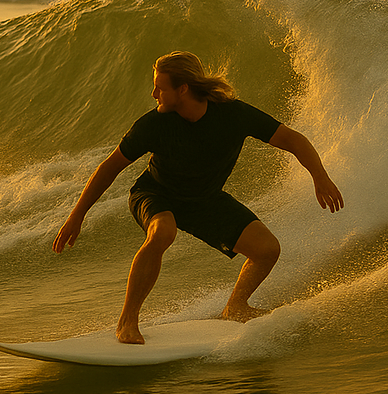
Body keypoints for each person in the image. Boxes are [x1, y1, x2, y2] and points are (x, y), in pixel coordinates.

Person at [53, 52, 343, 345]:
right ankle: (127, 321)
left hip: (204, 199)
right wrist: (77, 215)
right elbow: (109, 168)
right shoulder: (154, 124)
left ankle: (235, 307)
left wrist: (320, 177)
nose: (153, 94)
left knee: (267, 249)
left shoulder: (232, 115)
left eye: (160, 87)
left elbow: (293, 139)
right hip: (155, 193)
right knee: (163, 232)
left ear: (183, 89)